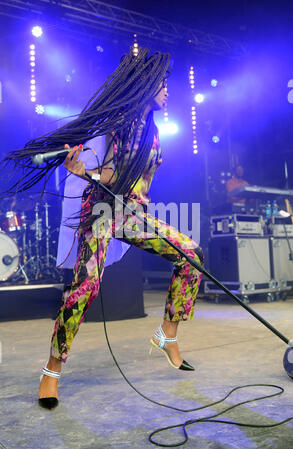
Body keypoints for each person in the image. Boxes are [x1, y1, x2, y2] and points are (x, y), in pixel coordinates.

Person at [3, 49, 204, 410]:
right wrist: (84, 172)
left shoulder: (154, 132)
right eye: (161, 84)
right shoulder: (119, 125)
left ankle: (167, 335)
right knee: (86, 286)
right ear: (144, 86)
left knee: (192, 255)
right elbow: (109, 175)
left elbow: (139, 182)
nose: (166, 91)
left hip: (133, 213)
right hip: (100, 210)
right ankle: (52, 370)